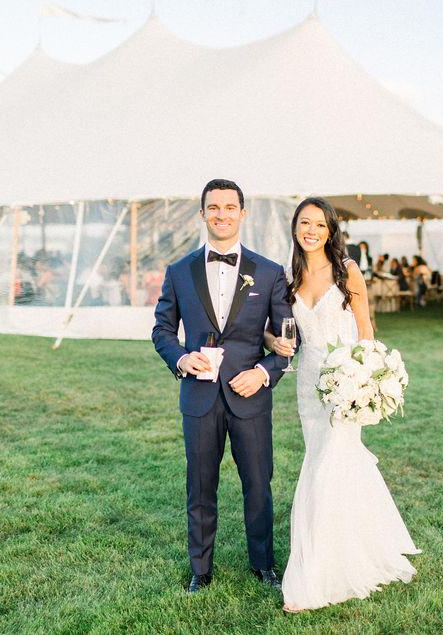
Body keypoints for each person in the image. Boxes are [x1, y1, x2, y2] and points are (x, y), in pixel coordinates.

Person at [264, 197, 419, 612]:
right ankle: (362, 545)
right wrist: (272, 341)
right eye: (304, 223)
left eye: (319, 224)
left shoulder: (347, 271)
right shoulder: (286, 276)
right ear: (295, 228)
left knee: (328, 464)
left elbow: (366, 328)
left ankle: (315, 576)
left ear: (331, 231)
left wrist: (368, 376)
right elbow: (272, 329)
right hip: (308, 385)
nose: (311, 230)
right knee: (327, 459)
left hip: (344, 381)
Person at [151, 179, 294, 594]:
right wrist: (179, 357)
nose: (222, 215)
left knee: (258, 485)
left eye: (230, 207)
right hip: (198, 397)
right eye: (213, 207)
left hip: (250, 398)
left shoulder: (268, 272)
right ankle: (201, 567)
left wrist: (265, 372)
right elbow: (161, 329)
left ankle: (263, 563)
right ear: (202, 214)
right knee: (200, 486)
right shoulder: (179, 272)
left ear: (242, 213)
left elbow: (287, 339)